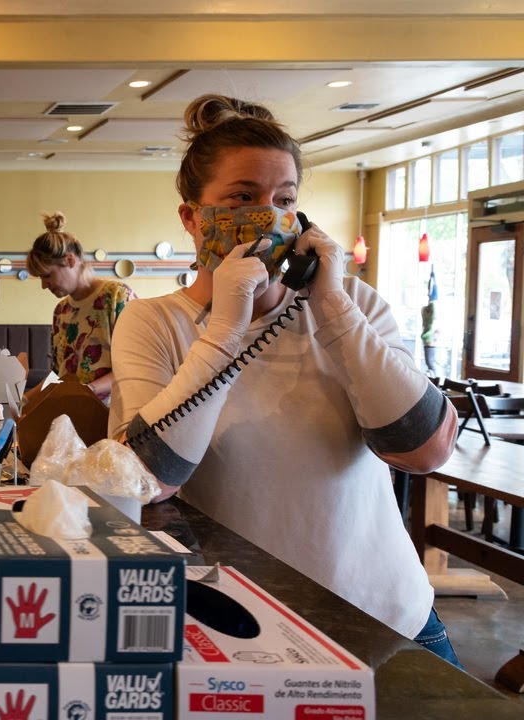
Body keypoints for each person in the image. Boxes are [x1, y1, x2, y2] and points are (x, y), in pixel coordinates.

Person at [107, 95, 460, 666]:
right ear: (192, 217)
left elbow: (424, 450)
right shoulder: (153, 323)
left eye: (285, 200)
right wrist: (226, 330)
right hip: (248, 631)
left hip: (388, 619)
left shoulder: (354, 304)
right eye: (242, 197)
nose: (269, 216)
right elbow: (145, 480)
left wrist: (334, 307)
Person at [26, 212, 134, 400]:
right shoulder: (61, 311)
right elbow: (57, 375)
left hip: (113, 412)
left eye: (47, 275)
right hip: (70, 411)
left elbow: (135, 365)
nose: (44, 285)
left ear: (70, 260)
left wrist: (89, 389)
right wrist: (25, 400)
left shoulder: (117, 297)